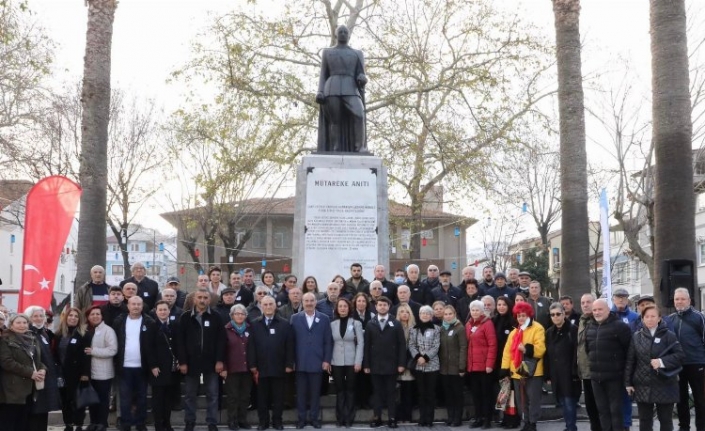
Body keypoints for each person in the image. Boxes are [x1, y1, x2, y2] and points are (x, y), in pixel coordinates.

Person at [625, 304, 684, 431]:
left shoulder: (669, 335)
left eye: (653, 316)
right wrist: (628, 383)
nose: (650, 319)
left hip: (665, 384)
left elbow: (680, 356)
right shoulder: (636, 337)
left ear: (659, 318)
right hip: (642, 385)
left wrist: (662, 362)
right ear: (642, 318)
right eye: (647, 316)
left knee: (665, 420)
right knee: (645, 421)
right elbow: (630, 361)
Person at [177, 288, 226, 431]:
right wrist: (183, 362)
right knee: (190, 395)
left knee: (213, 394)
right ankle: (189, 422)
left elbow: (221, 341)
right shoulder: (185, 317)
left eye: (205, 297)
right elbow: (180, 342)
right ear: (194, 299)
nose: (202, 300)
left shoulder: (216, 317)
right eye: (200, 297)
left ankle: (212, 422)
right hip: (191, 363)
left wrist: (219, 360)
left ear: (209, 300)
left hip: (211, 363)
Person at [316, 24, 367, 152]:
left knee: (359, 114)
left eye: (345, 31)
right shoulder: (327, 52)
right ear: (336, 34)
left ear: (349, 35)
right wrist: (320, 91)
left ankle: (360, 147)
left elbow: (361, 73)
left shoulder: (357, 53)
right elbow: (323, 73)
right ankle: (335, 148)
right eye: (341, 31)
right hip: (331, 88)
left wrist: (362, 78)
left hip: (351, 88)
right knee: (335, 121)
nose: (343, 33)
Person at [247, 295, 295, 431]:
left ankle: (277, 421)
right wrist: (252, 365)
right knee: (262, 398)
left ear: (275, 306)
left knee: (279, 398)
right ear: (261, 306)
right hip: (261, 368)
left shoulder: (285, 324)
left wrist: (289, 364)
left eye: (270, 304)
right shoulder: (254, 324)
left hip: (279, 367)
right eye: (265, 304)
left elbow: (290, 346)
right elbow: (251, 347)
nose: (268, 307)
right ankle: (263, 422)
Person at [586, 298, 632, 431]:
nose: (597, 312)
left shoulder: (620, 327)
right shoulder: (590, 327)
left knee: (616, 411)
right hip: (596, 378)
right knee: (602, 411)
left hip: (615, 378)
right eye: (594, 310)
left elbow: (629, 352)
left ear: (608, 310)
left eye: (600, 309)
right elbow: (588, 350)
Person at [113, 296, 158, 431]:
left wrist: (152, 365)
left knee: (142, 397)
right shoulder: (119, 321)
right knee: (125, 398)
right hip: (124, 366)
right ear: (128, 305)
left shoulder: (149, 322)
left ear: (142, 306)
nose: (136, 307)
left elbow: (152, 346)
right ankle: (126, 423)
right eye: (133, 304)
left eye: (139, 304)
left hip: (142, 367)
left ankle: (140, 423)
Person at [500, 301, 545, 431]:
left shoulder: (537, 328)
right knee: (521, 400)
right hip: (517, 371)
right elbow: (507, 352)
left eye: (523, 315)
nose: (520, 318)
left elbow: (541, 349)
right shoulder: (515, 332)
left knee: (533, 399)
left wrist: (526, 349)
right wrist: (504, 369)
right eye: (518, 315)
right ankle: (525, 422)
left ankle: (533, 423)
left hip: (532, 371)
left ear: (529, 315)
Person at [290, 292, 333, 429]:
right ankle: (301, 419)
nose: (309, 303)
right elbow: (291, 342)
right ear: (302, 302)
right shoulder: (295, 318)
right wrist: (292, 361)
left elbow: (328, 341)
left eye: (311, 301)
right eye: (306, 301)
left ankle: (314, 419)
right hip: (300, 362)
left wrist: (326, 360)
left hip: (317, 362)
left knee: (315, 393)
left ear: (316, 302)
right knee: (301, 394)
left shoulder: (325, 318)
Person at [364, 296, 406, 428]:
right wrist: (366, 365)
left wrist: (401, 364)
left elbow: (402, 345)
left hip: (392, 365)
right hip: (375, 365)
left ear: (389, 307)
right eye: (380, 305)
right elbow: (367, 346)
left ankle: (392, 417)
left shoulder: (396, 323)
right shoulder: (371, 324)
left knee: (391, 393)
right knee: (377, 392)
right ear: (376, 307)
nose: (382, 307)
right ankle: (377, 417)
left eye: (385, 305)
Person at [0, 314, 47, 431]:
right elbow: (7, 362)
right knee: (10, 423)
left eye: (25, 322)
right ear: (11, 325)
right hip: (12, 389)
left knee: (24, 423)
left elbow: (38, 360)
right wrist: (31, 373)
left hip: (30, 389)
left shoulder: (32, 339)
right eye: (18, 323)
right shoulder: (5, 340)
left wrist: (43, 369)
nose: (22, 325)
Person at [669, 287, 705, 431]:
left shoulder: (699, 317)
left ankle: (701, 427)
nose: (679, 302)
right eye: (677, 299)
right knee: (681, 399)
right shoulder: (670, 319)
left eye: (683, 299)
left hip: (697, 364)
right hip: (677, 366)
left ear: (689, 300)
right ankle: (684, 427)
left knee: (700, 399)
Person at [544, 303, 581, 431]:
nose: (555, 317)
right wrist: (547, 374)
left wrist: (575, 372)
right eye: (552, 315)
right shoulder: (549, 332)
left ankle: (571, 428)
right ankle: (568, 426)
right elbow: (547, 355)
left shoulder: (573, 330)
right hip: (556, 374)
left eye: (558, 314)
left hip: (570, 374)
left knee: (569, 402)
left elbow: (577, 352)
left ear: (564, 314)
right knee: (562, 402)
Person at [330, 298, 365, 427]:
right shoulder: (332, 324)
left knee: (350, 390)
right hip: (336, 361)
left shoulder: (356, 323)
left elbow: (361, 343)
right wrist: (329, 361)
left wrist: (358, 362)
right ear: (337, 309)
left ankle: (350, 418)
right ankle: (340, 418)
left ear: (349, 308)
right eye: (340, 306)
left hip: (352, 361)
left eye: (345, 306)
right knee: (340, 390)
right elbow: (330, 343)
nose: (343, 308)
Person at [25, 305, 61, 431]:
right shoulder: (28, 333)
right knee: (35, 411)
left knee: (44, 410)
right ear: (29, 318)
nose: (39, 318)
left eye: (41, 316)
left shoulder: (44, 333)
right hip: (37, 376)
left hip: (47, 376)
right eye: (35, 316)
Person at [56, 307, 91, 431]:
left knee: (79, 401)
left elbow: (87, 355)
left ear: (79, 319)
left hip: (79, 373)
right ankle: (68, 424)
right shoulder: (59, 334)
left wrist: (85, 373)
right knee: (65, 401)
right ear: (66, 317)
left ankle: (79, 424)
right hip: (63, 373)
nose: (73, 318)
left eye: (76, 316)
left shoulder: (84, 334)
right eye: (71, 315)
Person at [84, 306, 118, 431]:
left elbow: (112, 350)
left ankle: (102, 423)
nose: (95, 316)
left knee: (103, 399)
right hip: (89, 372)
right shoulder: (85, 330)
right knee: (92, 400)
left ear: (102, 316)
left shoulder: (108, 330)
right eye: (92, 314)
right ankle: (93, 422)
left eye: (98, 314)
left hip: (103, 372)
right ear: (88, 316)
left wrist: (94, 351)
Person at [466, 300, 497, 429]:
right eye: (472, 310)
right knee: (476, 394)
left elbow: (492, 344)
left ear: (482, 311)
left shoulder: (487, 323)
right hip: (473, 366)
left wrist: (489, 364)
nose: (474, 312)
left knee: (486, 394)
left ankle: (487, 419)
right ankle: (478, 417)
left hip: (485, 366)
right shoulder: (468, 324)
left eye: (477, 310)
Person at [609, 289, 637, 431]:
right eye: (618, 297)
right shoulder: (608, 315)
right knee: (613, 397)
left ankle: (626, 424)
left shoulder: (635, 317)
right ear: (613, 299)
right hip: (611, 363)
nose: (621, 300)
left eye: (624, 297)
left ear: (627, 299)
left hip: (629, 362)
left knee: (627, 396)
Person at [410, 305, 442, 427]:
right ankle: (422, 418)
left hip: (432, 365)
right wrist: (418, 357)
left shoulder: (437, 329)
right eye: (422, 313)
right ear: (419, 315)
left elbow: (436, 345)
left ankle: (430, 419)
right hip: (419, 365)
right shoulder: (414, 329)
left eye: (427, 313)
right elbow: (412, 345)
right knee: (421, 393)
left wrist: (426, 357)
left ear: (431, 316)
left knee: (430, 393)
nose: (425, 315)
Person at [151, 300, 181, 431]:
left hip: (172, 368)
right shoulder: (151, 326)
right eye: (160, 310)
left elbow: (180, 346)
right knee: (158, 398)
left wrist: (180, 360)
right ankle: (158, 424)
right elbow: (148, 348)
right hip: (157, 369)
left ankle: (167, 423)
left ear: (169, 311)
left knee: (169, 398)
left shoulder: (175, 326)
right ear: (156, 312)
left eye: (165, 309)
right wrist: (153, 365)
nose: (163, 312)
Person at [223, 304, 253, 431]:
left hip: (247, 369)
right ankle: (232, 420)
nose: (239, 316)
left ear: (246, 316)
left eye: (242, 314)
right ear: (232, 316)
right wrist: (223, 367)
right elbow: (221, 350)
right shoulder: (226, 329)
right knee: (233, 397)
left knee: (245, 396)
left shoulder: (250, 329)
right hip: (232, 368)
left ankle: (242, 420)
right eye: (237, 314)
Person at [439, 305, 467, 427]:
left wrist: (462, 366)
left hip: (456, 368)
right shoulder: (442, 329)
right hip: (444, 368)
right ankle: (450, 416)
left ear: (454, 314)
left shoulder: (459, 328)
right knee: (448, 394)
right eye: (446, 314)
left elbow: (463, 347)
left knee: (457, 394)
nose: (448, 316)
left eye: (450, 314)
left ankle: (457, 417)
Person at [577, 293, 602, 431]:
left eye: (588, 302)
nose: (585, 305)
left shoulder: (599, 321)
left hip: (597, 372)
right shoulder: (582, 321)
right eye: (583, 303)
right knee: (590, 406)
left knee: (600, 407)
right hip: (585, 372)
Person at [493, 296, 518, 428]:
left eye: (504, 304)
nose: (501, 307)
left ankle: (513, 419)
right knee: (504, 392)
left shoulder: (513, 321)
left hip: (511, 362)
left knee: (512, 392)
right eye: (499, 304)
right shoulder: (495, 320)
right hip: (498, 361)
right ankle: (505, 418)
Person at [394, 304, 416, 424]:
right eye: (402, 311)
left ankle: (408, 416)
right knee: (398, 393)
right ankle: (398, 416)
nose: (404, 314)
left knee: (408, 392)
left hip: (410, 364)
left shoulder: (414, 328)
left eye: (407, 311)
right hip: (397, 363)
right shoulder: (394, 327)